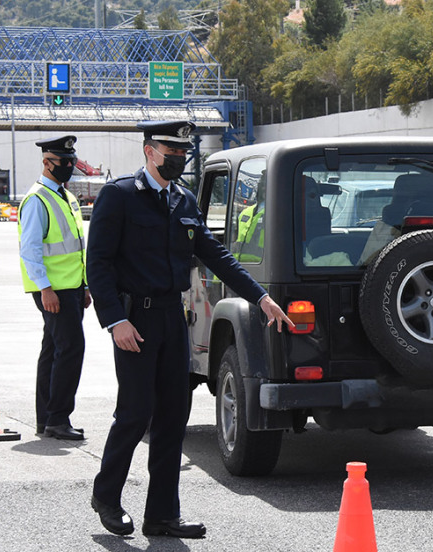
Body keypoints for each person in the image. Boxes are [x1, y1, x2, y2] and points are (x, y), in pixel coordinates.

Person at [86, 120, 293, 539]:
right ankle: (106, 497)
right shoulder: (120, 196)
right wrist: (114, 320)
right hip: (134, 321)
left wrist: (261, 297)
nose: (179, 158)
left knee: (172, 417)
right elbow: (98, 264)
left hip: (171, 319)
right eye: (170, 151)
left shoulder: (182, 199)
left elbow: (216, 255)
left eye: (183, 153)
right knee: (135, 413)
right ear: (149, 151)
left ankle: (162, 515)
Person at [18, 135, 90, 441]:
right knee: (71, 349)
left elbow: (75, 248)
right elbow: (30, 250)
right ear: (47, 163)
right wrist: (44, 288)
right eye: (64, 162)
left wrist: (84, 285)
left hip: (71, 287)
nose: (70, 166)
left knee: (53, 350)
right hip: (53, 291)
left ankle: (46, 418)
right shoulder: (36, 200)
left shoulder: (66, 197)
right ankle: (59, 419)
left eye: (72, 161)